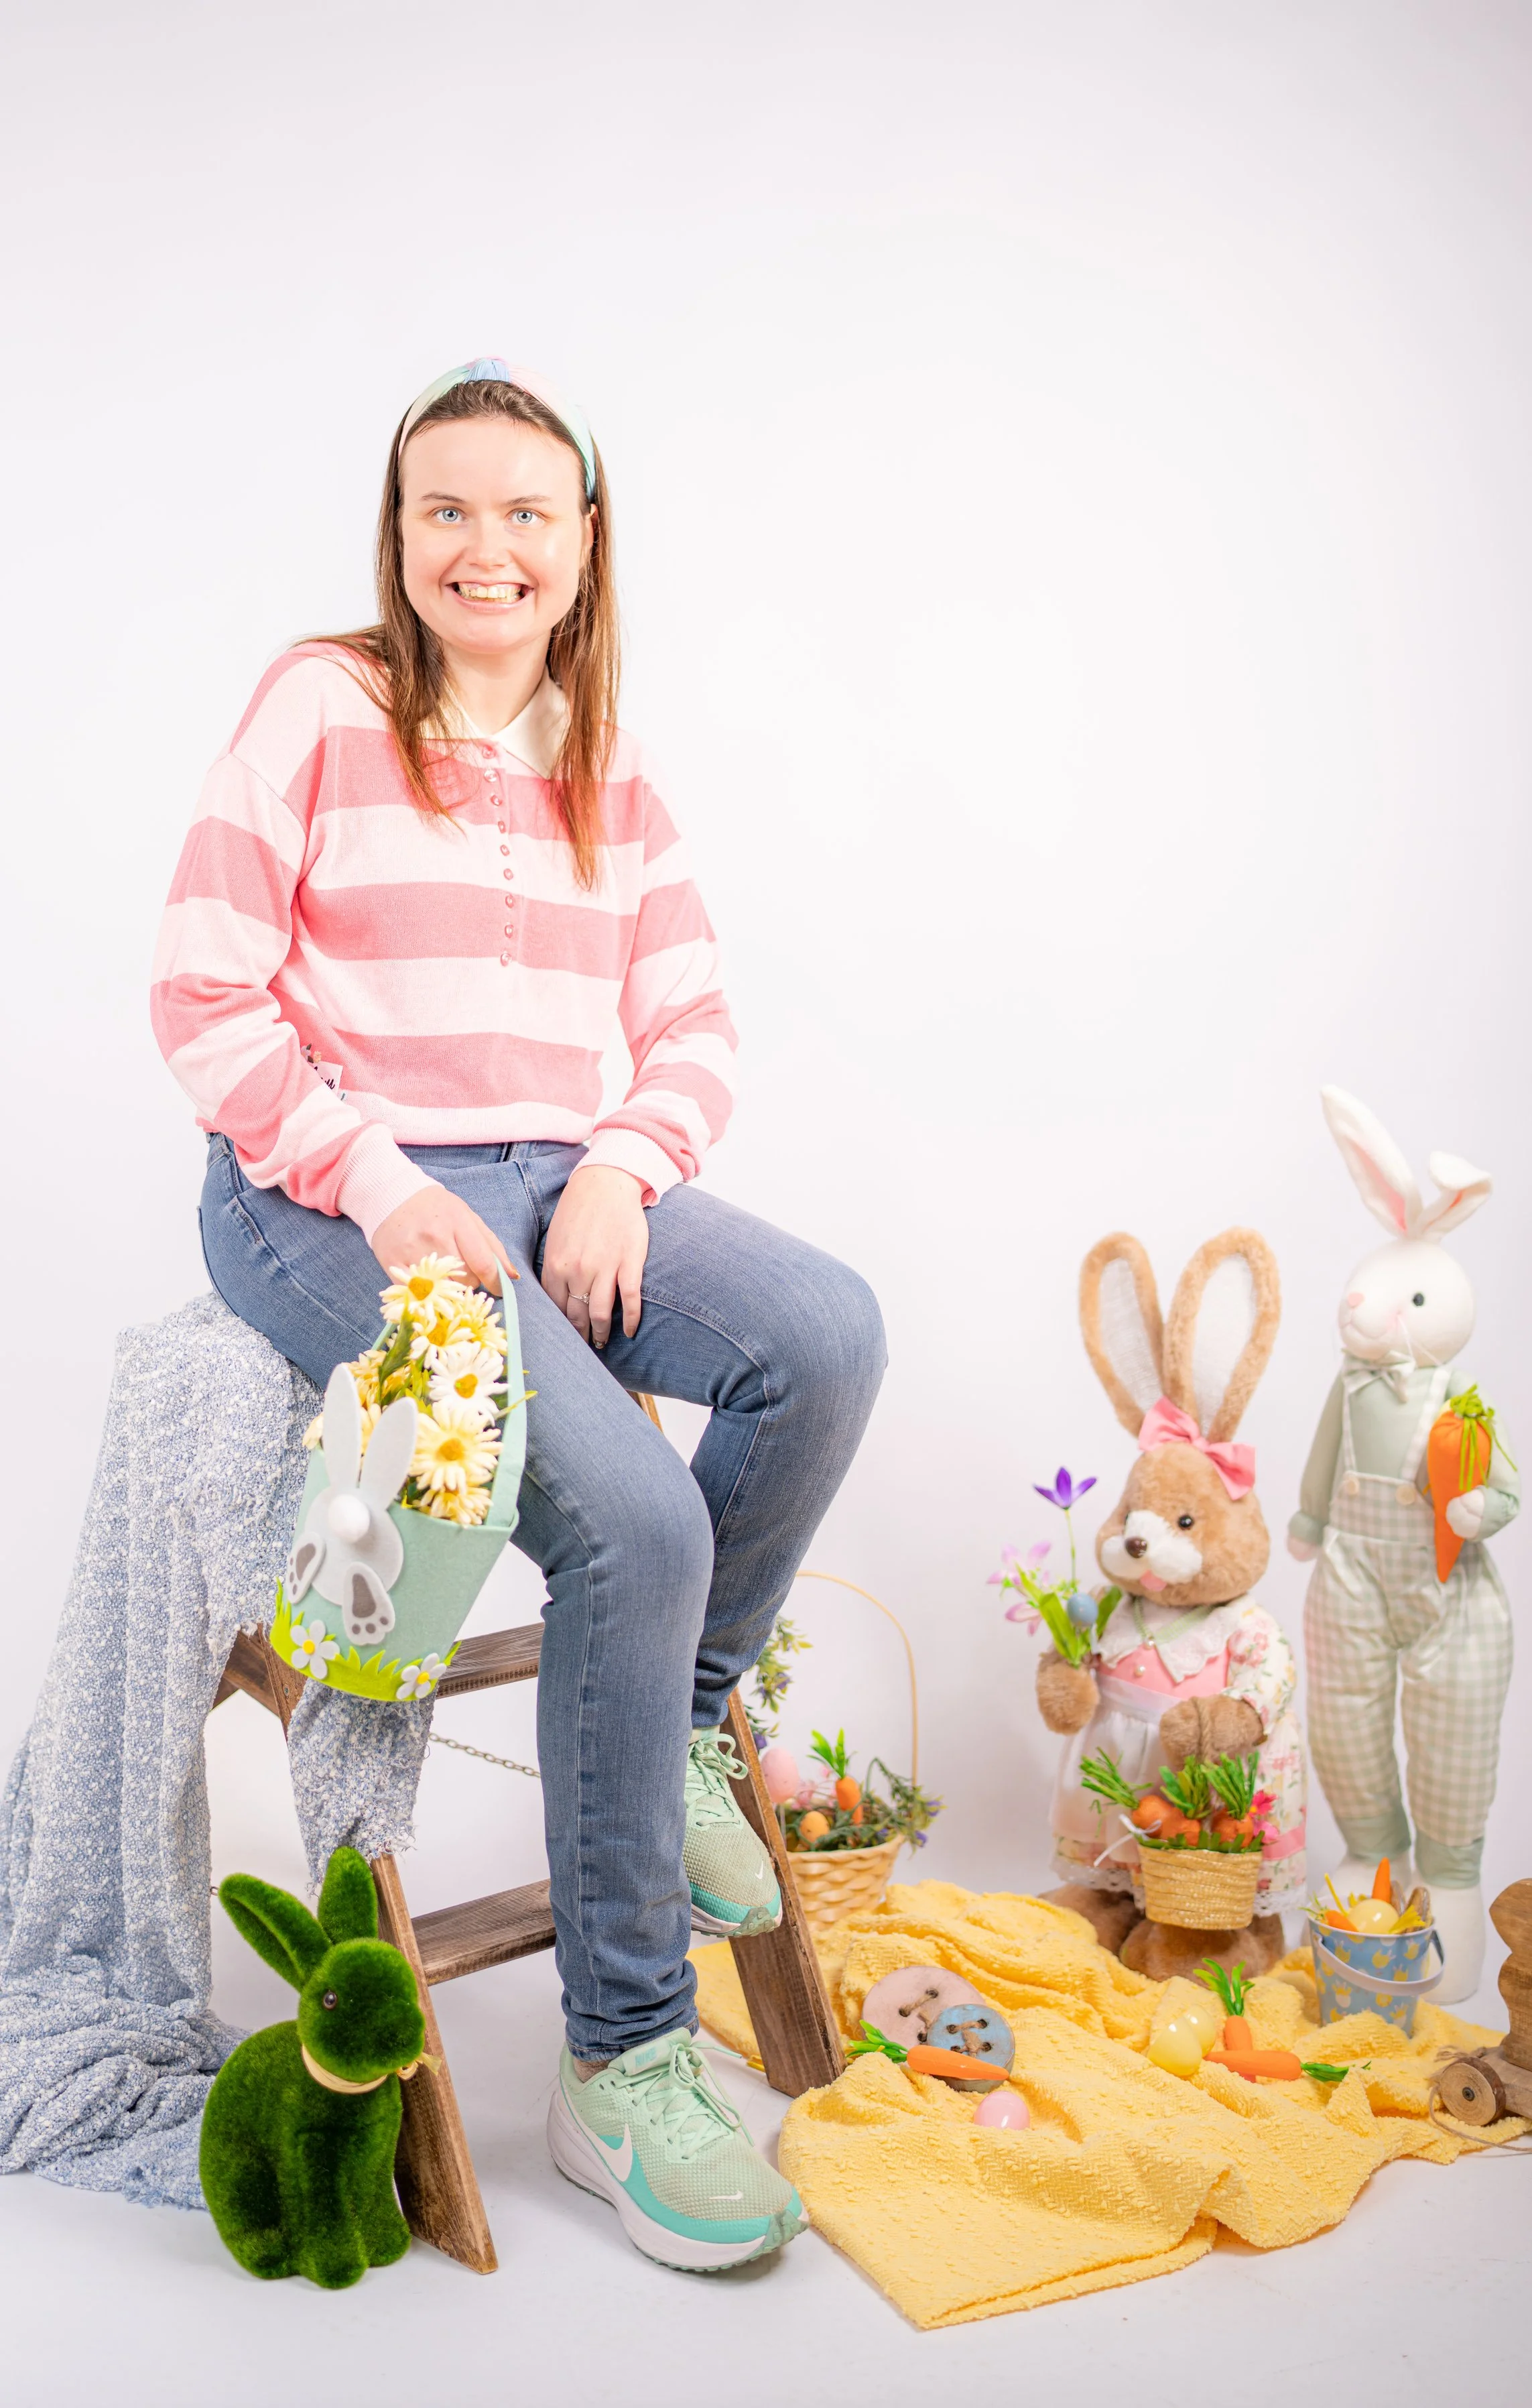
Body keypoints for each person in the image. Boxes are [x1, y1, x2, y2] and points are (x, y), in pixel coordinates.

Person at [153, 358, 885, 2271]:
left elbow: (695, 1020)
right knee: (637, 1521)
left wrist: (629, 1167)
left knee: (827, 1334)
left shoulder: (602, 753)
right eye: (445, 510)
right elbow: (204, 1000)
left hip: (559, 1170)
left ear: (582, 543)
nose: (486, 545)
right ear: (399, 540)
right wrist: (384, 1186)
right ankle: (625, 2062)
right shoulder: (318, 707)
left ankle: (688, 1727)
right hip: (322, 1191)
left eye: (525, 512)